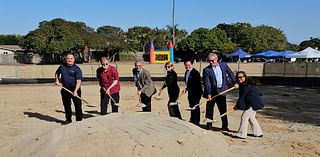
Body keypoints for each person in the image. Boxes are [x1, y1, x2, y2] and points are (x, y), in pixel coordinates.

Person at [203, 53, 237, 131]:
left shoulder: (224, 65)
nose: (211, 62)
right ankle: (209, 126)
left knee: (223, 109)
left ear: (217, 59)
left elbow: (230, 73)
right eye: (209, 61)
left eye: (212, 60)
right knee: (209, 109)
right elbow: (207, 83)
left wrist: (235, 82)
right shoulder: (206, 70)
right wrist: (208, 93)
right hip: (212, 93)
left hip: (222, 91)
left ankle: (225, 126)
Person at [234, 71, 264, 139]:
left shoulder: (246, 86)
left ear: (245, 77)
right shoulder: (245, 84)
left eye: (241, 77)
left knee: (244, 117)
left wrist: (237, 106)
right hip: (253, 103)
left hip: (253, 104)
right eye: (237, 77)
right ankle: (258, 133)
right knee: (251, 118)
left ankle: (242, 134)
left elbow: (242, 97)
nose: (239, 79)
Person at [54, 53, 83, 123]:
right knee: (66, 105)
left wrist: (75, 91)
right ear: (66, 59)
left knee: (78, 105)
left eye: (71, 58)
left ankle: (79, 120)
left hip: (75, 88)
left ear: (74, 59)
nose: (69, 60)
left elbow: (79, 81)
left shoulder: (77, 69)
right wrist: (57, 80)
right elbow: (57, 73)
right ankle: (68, 119)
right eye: (68, 58)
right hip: (65, 88)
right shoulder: (62, 67)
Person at [184, 60, 203, 125]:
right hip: (190, 92)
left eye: (189, 65)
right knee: (191, 105)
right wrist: (187, 88)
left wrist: (189, 88)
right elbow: (188, 82)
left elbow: (196, 84)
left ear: (192, 64)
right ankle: (192, 119)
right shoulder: (186, 72)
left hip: (196, 92)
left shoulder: (195, 73)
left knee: (195, 106)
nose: (187, 66)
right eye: (186, 65)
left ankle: (196, 121)